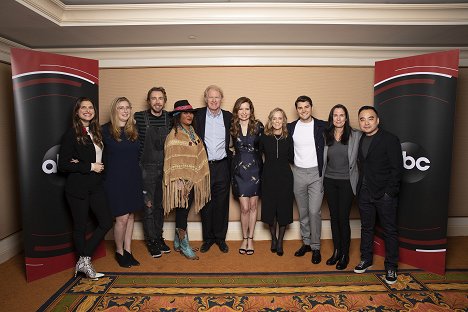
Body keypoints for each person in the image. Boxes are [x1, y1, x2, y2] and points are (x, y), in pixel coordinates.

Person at [59, 97, 113, 280]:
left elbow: (100, 158)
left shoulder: (96, 132)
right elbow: (64, 164)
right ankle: (85, 262)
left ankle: (83, 258)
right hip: (77, 188)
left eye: (91, 107)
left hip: (96, 186)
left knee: (106, 222)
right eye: (84, 108)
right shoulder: (71, 134)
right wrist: (89, 166)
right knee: (80, 227)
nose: (88, 110)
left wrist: (92, 166)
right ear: (77, 112)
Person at [353, 105, 402, 285]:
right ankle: (366, 259)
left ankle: (391, 266)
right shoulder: (359, 139)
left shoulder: (390, 139)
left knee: (390, 230)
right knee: (366, 228)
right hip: (364, 192)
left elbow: (397, 169)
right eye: (362, 119)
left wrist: (390, 193)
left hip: (384, 194)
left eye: (370, 118)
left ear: (377, 120)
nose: (366, 122)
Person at [163, 100, 211, 260]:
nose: (189, 115)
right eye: (185, 112)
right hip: (181, 182)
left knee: (183, 211)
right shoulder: (175, 135)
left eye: (191, 112)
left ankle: (177, 241)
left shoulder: (191, 131)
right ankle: (184, 245)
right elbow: (172, 160)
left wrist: (192, 179)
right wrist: (179, 182)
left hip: (192, 180)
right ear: (178, 116)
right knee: (183, 212)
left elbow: (197, 154)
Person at [102, 97, 143, 268]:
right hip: (114, 179)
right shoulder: (105, 130)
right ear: (115, 110)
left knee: (131, 216)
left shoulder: (133, 130)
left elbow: (138, 155)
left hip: (133, 177)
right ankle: (119, 251)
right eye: (121, 108)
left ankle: (128, 250)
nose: (125, 111)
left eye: (127, 107)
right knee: (122, 218)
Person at [287, 95, 326, 264]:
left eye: (307, 107)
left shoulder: (322, 126)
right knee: (303, 212)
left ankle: (316, 247)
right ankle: (307, 243)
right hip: (298, 173)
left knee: (314, 211)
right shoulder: (290, 127)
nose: (304, 110)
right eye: (300, 107)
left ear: (311, 107)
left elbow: (341, 133)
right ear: (297, 110)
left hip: (316, 174)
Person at [322, 104, 362, 270]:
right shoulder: (326, 135)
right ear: (331, 118)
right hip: (330, 181)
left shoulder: (356, 135)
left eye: (341, 115)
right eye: (335, 115)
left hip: (347, 182)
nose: (338, 118)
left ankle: (345, 254)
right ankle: (337, 251)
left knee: (343, 218)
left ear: (346, 118)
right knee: (333, 217)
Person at [194, 85, 233, 253]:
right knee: (205, 202)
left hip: (223, 165)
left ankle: (220, 238)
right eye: (211, 97)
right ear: (205, 99)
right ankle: (208, 238)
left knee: (222, 203)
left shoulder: (229, 117)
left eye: (217, 97)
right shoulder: (198, 115)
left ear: (221, 99)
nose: (214, 100)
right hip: (204, 166)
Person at [135, 87, 172, 258]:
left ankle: (159, 237)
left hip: (165, 168)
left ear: (165, 100)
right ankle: (151, 240)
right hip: (146, 169)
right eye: (153, 98)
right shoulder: (139, 118)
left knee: (160, 206)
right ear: (148, 101)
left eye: (160, 98)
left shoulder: (169, 118)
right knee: (148, 206)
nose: (157, 101)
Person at [230, 97, 263, 255]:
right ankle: (244, 238)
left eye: (247, 109)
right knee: (244, 207)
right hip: (239, 171)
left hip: (256, 169)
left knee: (253, 206)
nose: (244, 112)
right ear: (237, 111)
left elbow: (265, 147)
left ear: (251, 110)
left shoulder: (258, 126)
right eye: (240, 109)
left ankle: (251, 239)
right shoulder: (232, 127)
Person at [259, 108, 294, 256]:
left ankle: (280, 242)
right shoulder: (264, 137)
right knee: (270, 209)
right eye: (274, 118)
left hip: (285, 177)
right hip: (268, 177)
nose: (277, 121)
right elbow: (258, 156)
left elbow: (292, 157)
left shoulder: (289, 137)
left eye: (280, 118)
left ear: (284, 120)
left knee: (284, 210)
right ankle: (273, 238)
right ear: (270, 120)